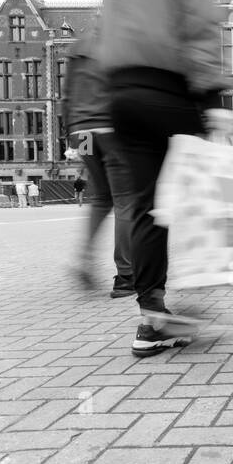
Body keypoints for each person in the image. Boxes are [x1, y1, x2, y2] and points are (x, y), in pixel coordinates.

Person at [97, 0, 231, 357]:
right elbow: (199, 26)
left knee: (150, 209)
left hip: (121, 98)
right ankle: (195, 294)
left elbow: (103, 40)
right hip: (167, 92)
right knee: (197, 194)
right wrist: (213, 99)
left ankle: (151, 317)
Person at [63, 24, 136, 298]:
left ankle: (84, 258)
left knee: (101, 198)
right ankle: (126, 277)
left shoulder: (78, 47)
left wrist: (71, 133)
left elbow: (67, 95)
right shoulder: (121, 41)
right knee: (124, 200)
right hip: (110, 130)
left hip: (82, 131)